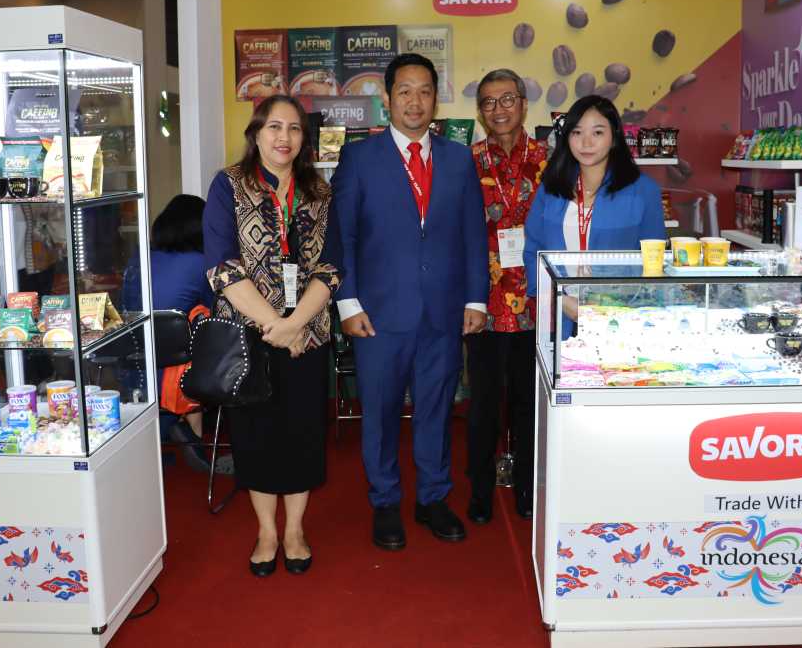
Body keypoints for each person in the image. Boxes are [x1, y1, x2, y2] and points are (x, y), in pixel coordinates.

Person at [328, 53, 489, 551]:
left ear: (435, 99)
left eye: (424, 91)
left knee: (436, 410)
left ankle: (433, 498)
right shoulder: (359, 159)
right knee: (378, 412)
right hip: (377, 315)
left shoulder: (458, 159)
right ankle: (384, 501)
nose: (414, 101)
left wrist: (476, 299)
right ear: (387, 98)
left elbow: (472, 235)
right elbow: (342, 236)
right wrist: (347, 304)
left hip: (443, 311)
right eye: (404, 91)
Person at [203, 95, 340, 577]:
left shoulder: (319, 191)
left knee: (303, 433)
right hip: (249, 336)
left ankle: (295, 529)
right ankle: (266, 530)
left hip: (308, 335)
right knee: (255, 435)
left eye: (295, 128)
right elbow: (222, 268)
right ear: (256, 133)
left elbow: (331, 266)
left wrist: (297, 323)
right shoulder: (228, 185)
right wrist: (277, 328)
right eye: (274, 127)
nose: (284, 137)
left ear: (305, 138)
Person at [466, 69, 548, 524]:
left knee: (528, 403)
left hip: (537, 300)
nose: (499, 109)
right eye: (489, 102)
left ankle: (527, 487)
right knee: (482, 405)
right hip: (484, 302)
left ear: (523, 104)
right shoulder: (467, 162)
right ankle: (479, 489)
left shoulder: (550, 159)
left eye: (507, 99)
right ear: (480, 112)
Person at [524, 95, 666, 307]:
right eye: (577, 132)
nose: (586, 142)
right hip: (561, 312)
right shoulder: (551, 188)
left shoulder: (643, 190)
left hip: (621, 312)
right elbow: (534, 250)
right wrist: (559, 300)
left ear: (614, 137)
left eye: (597, 132)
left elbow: (654, 261)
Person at [122, 195, 223, 473]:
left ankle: (167, 432)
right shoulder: (202, 263)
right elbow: (213, 309)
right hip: (179, 370)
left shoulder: (138, 258)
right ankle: (193, 437)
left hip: (134, 361)